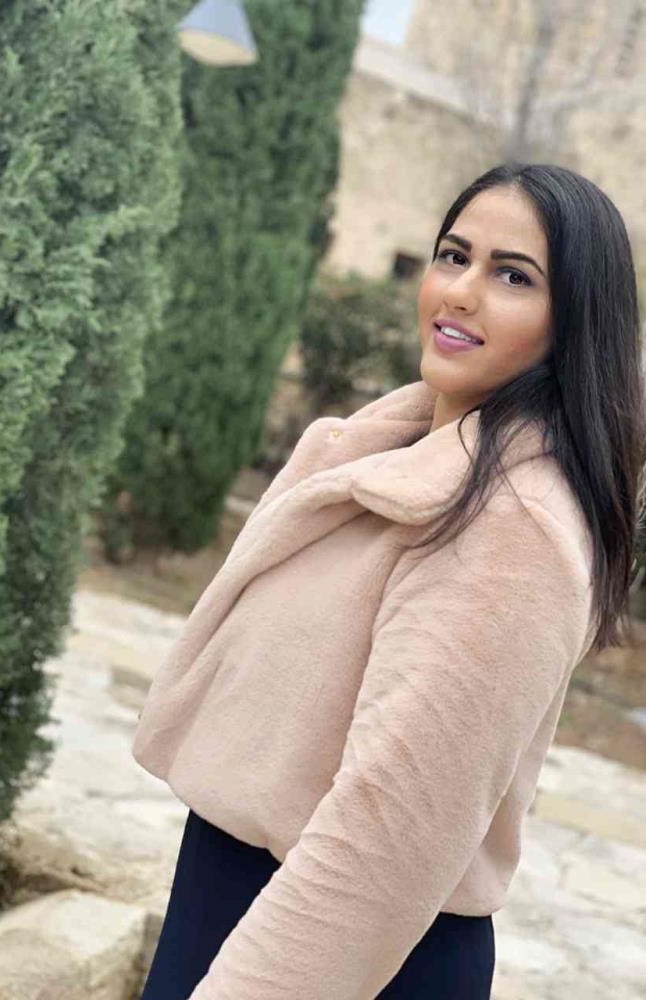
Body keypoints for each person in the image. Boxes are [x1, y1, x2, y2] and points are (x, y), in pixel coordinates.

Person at [132, 162, 646, 999]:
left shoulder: (514, 524)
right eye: (454, 256)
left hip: (346, 955)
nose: (461, 292)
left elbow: (392, 831)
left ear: (574, 323)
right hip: (242, 899)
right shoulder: (386, 456)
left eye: (513, 276)